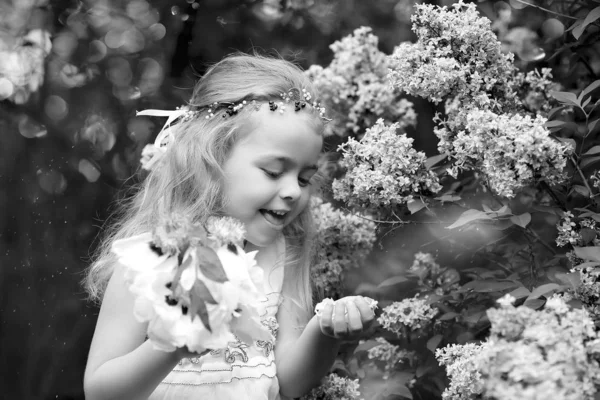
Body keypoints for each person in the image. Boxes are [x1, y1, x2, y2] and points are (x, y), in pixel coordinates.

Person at [83, 53, 376, 400]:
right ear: (211, 161)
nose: (294, 190)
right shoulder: (150, 258)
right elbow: (101, 391)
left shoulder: (283, 256)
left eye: (305, 177)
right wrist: (173, 345)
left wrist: (327, 331)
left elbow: (290, 382)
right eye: (273, 172)